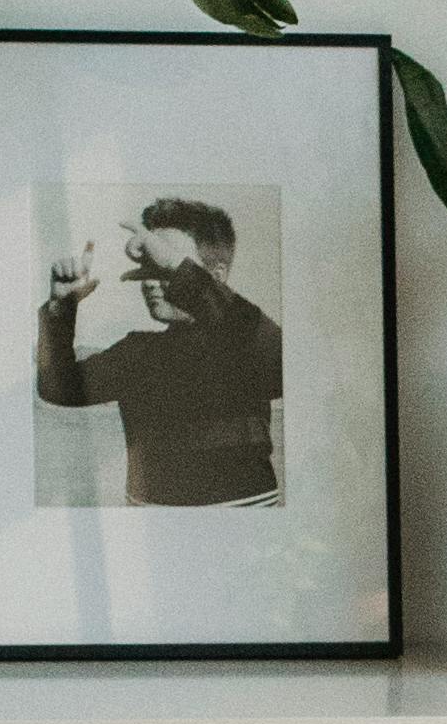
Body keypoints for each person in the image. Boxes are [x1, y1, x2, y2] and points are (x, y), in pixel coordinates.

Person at [37, 193, 284, 507]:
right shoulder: (137, 353)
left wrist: (179, 271)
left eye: (165, 265)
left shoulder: (244, 346)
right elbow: (56, 387)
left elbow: (280, 363)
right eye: (147, 267)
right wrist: (60, 308)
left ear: (217, 276)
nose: (150, 282)